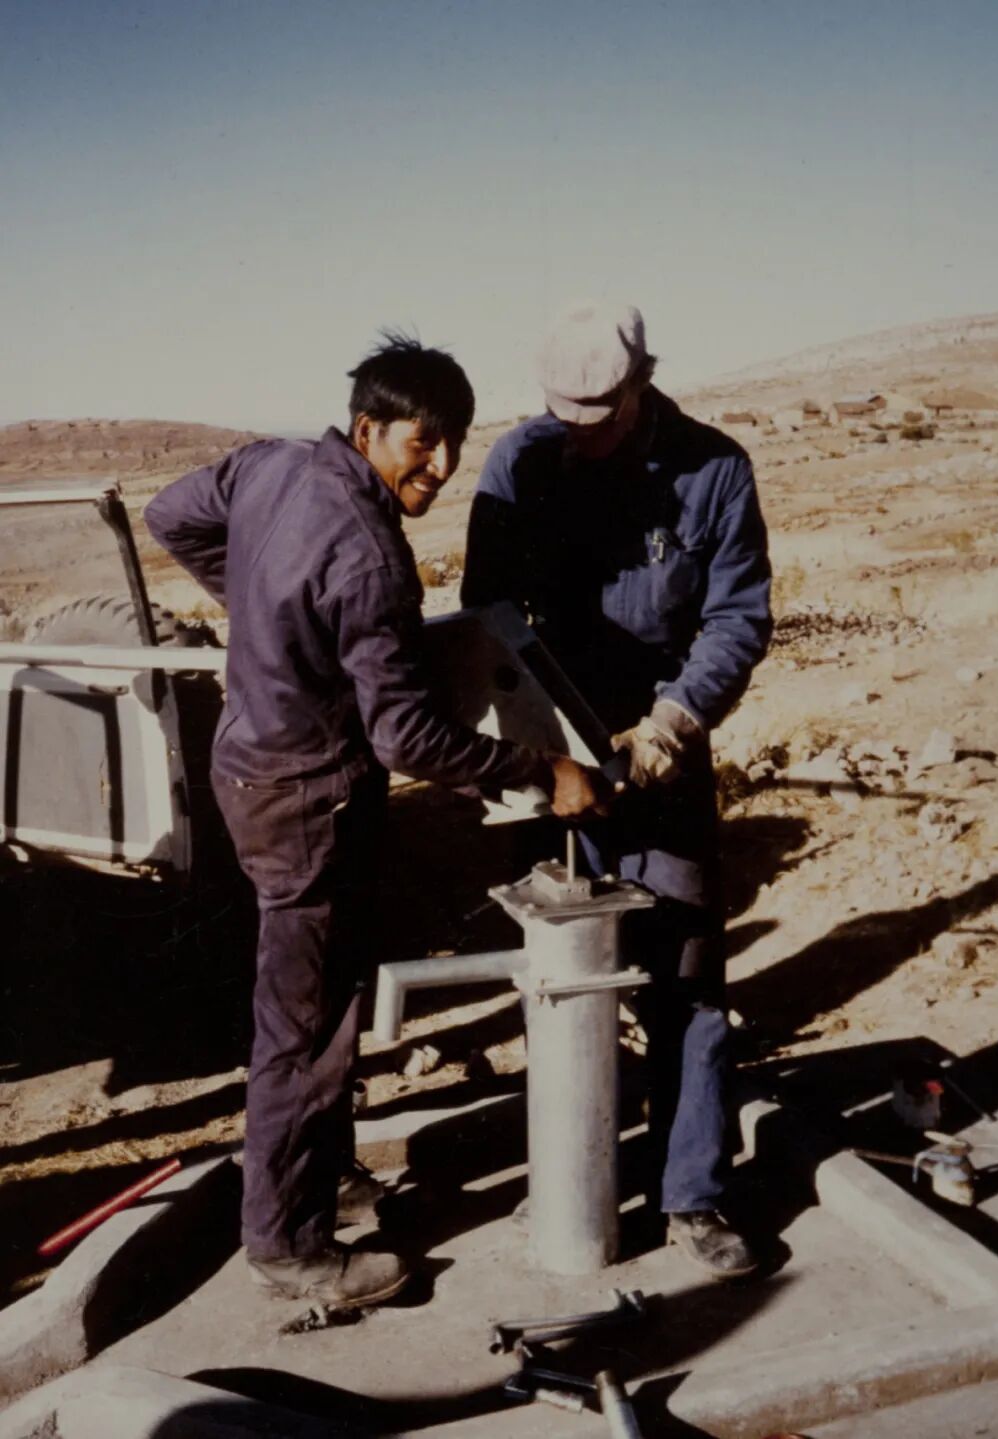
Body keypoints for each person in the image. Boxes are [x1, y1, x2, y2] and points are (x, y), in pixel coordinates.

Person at [145, 333, 604, 1309]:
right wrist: (540, 768)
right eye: (420, 443)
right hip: (309, 798)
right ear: (368, 430)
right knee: (307, 1026)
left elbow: (170, 513)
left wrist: (266, 609)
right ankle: (290, 1245)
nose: (439, 464)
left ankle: (324, 1173)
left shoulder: (272, 465)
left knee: (315, 996)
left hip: (250, 772)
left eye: (453, 443)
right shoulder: (369, 557)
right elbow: (407, 738)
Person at [461, 302, 772, 1278]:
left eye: (600, 417)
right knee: (560, 982)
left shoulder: (714, 469)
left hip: (660, 746)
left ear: (642, 382)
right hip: (552, 755)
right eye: (566, 416)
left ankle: (692, 1192)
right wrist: (531, 746)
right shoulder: (520, 463)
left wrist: (676, 720)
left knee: (686, 979)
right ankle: (571, 1168)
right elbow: (487, 609)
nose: (580, 435)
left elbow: (738, 616)